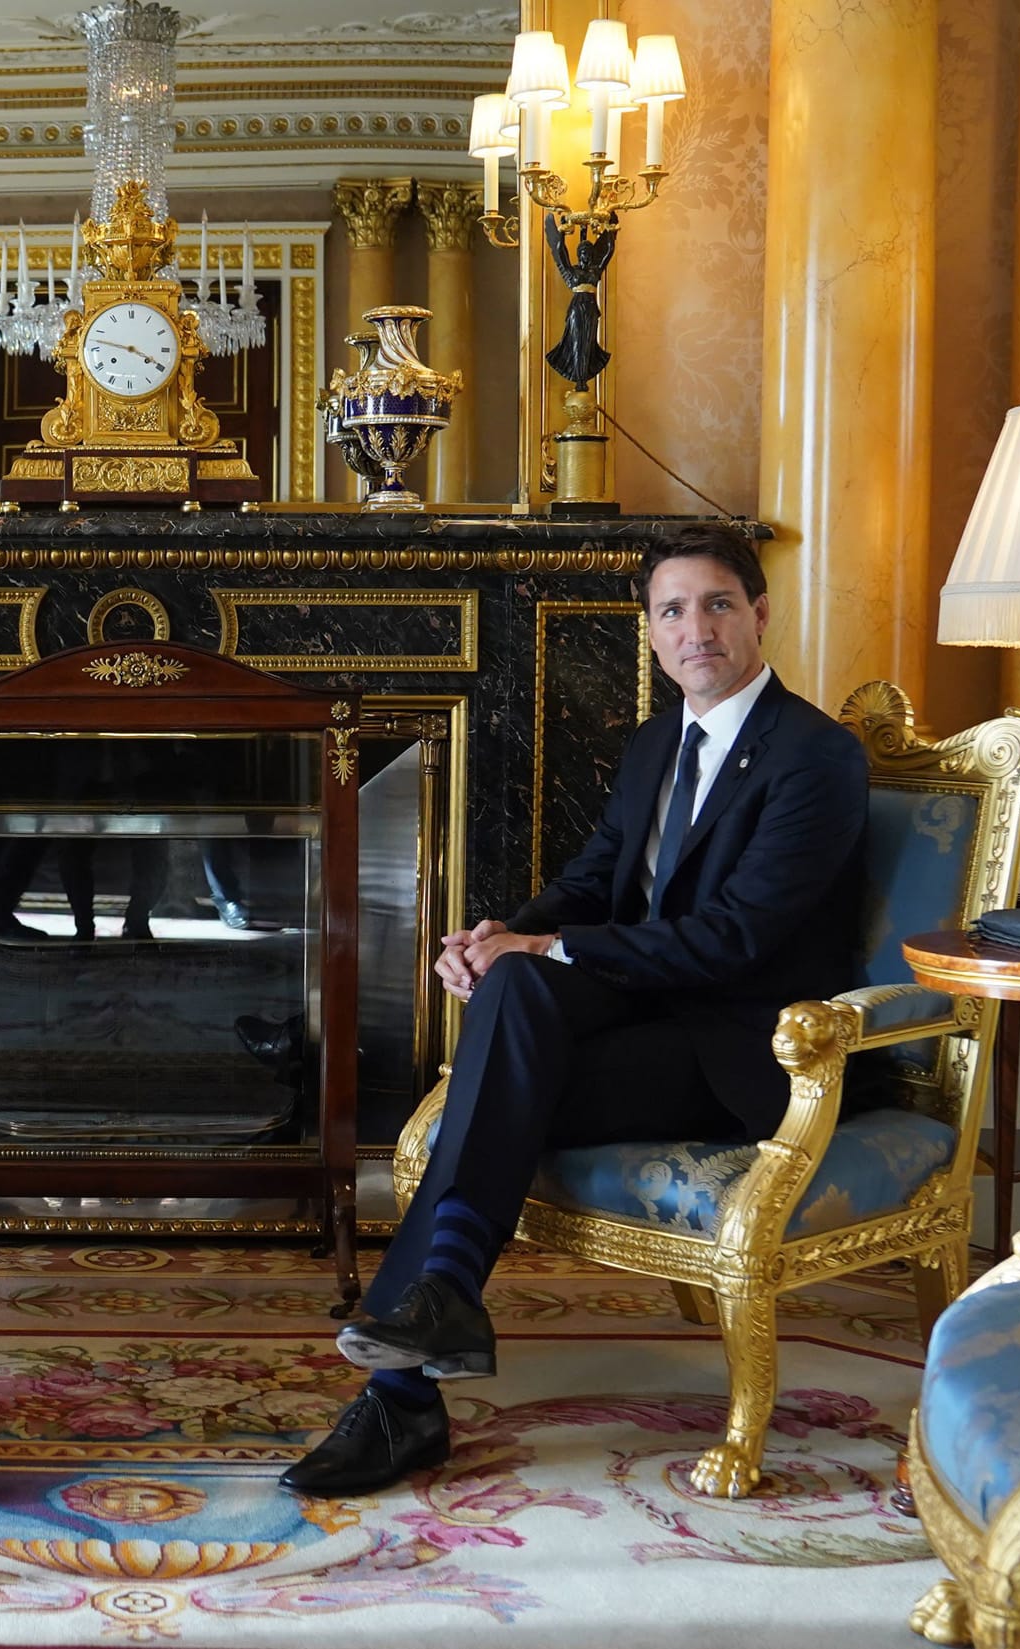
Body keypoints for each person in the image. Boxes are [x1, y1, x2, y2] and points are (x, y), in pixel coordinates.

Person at [281, 522, 870, 1496]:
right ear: (649, 631)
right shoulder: (653, 744)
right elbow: (594, 882)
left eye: (717, 603)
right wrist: (499, 933)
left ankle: (404, 1391)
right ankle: (434, 1318)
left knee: (496, 1080)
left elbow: (732, 938)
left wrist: (541, 947)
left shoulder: (815, 757)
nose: (695, 629)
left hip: (740, 1048)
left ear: (759, 613)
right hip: (646, 1020)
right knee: (512, 989)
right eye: (671, 610)